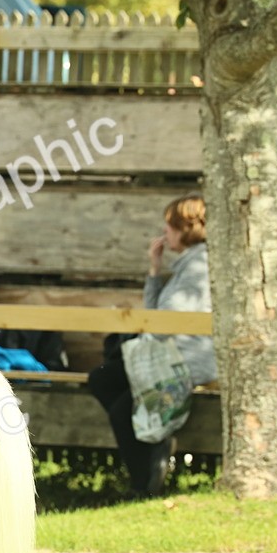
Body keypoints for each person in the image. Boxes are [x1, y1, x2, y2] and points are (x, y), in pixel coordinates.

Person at [88, 193, 215, 496]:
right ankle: (152, 443)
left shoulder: (199, 266)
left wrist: (148, 330)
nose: (165, 233)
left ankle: (143, 486)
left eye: (169, 227)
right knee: (103, 378)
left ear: (186, 228)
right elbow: (153, 317)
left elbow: (161, 323)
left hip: (185, 362)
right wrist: (155, 270)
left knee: (122, 410)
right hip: (168, 356)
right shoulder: (186, 265)